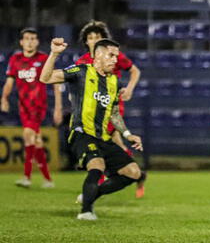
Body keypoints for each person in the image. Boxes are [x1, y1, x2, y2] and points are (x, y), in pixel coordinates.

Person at [40, 38, 144, 220]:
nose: (115, 60)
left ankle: (91, 195)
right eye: (111, 55)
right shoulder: (80, 72)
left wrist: (128, 134)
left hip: (104, 137)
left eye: (116, 56)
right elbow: (45, 78)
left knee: (133, 172)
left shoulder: (114, 82)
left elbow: (114, 114)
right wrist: (54, 54)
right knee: (97, 166)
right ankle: (86, 211)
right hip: (82, 133)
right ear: (97, 55)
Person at [75, 21, 145, 198]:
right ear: (86, 42)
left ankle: (95, 190)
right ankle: (133, 174)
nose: (93, 41)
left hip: (110, 109)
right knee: (112, 146)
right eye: (90, 38)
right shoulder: (82, 63)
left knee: (110, 146)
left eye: (97, 37)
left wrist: (129, 89)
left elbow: (135, 71)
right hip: (91, 114)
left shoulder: (115, 56)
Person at [2, 28, 62, 188]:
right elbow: (9, 82)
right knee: (36, 141)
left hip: (38, 106)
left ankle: (27, 177)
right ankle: (47, 180)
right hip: (23, 106)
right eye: (27, 38)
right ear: (21, 42)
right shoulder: (15, 59)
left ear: (37, 41)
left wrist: (58, 107)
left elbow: (56, 83)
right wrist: (4, 98)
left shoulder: (43, 58)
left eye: (33, 38)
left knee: (28, 134)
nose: (30, 41)